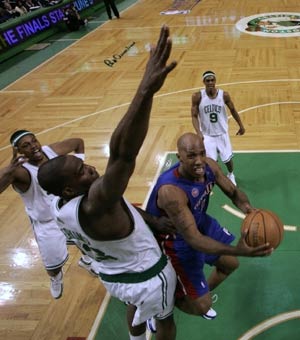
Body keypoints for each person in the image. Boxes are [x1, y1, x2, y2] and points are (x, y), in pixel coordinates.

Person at [37, 26, 178, 340]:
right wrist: (145, 91)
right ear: (71, 188)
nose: (90, 169)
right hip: (148, 277)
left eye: (84, 164)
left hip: (114, 276)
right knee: (166, 322)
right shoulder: (97, 202)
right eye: (81, 172)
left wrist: (152, 220)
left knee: (135, 308)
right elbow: (124, 156)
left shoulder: (58, 203)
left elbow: (117, 151)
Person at [146, 132, 273, 321]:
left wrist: (249, 209)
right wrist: (239, 250)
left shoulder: (209, 166)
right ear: (179, 156)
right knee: (202, 307)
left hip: (199, 222)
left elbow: (233, 192)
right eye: (191, 156)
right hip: (176, 240)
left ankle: (196, 293)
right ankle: (160, 307)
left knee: (230, 264)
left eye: (201, 153)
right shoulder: (171, 191)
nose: (199, 161)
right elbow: (194, 239)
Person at [0, 131, 100, 299]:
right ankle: (55, 277)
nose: (34, 146)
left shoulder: (50, 151)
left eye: (34, 141)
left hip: (67, 209)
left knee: (85, 241)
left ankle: (87, 261)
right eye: (26, 145)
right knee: (53, 265)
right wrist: (8, 171)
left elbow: (78, 142)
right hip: (46, 222)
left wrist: (78, 168)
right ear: (18, 151)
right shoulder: (21, 172)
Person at [191, 70, 245, 186]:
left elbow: (233, 110)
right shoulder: (197, 96)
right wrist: (198, 132)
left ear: (215, 81)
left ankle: (231, 174)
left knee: (227, 159)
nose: (210, 82)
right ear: (204, 82)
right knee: (210, 161)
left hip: (222, 133)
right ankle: (212, 178)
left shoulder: (224, 95)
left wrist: (241, 125)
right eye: (207, 80)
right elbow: (194, 116)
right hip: (207, 135)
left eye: (212, 80)